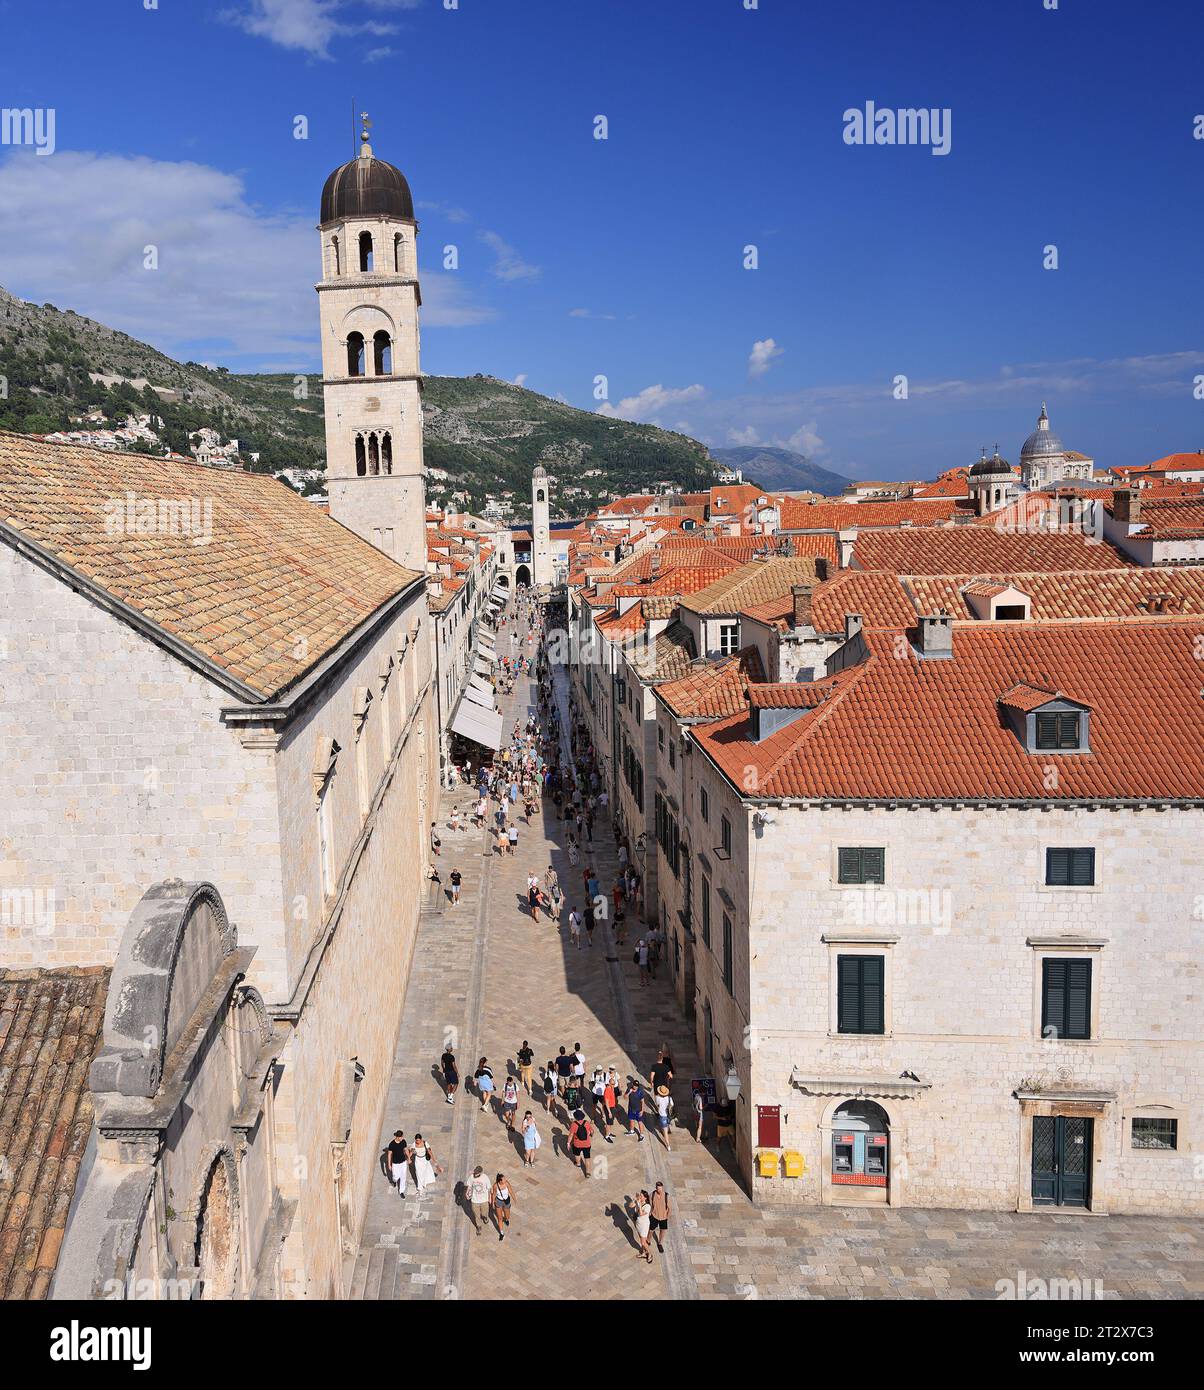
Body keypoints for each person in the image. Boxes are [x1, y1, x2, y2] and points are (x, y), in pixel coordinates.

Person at [628, 1190, 654, 1264]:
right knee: (641, 1239)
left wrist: (638, 1204)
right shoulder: (638, 1202)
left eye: (641, 1196)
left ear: (645, 1198)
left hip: (644, 1225)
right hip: (638, 1223)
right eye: (640, 1195)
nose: (640, 1197)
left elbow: (641, 1213)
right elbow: (630, 1206)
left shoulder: (648, 1206)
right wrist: (634, 1199)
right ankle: (643, 1252)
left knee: (643, 1242)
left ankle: (650, 1254)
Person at [569, 1108, 593, 1178]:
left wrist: (568, 1143)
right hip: (587, 1143)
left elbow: (571, 1135)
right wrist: (591, 1135)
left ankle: (578, 1164)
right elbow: (592, 1131)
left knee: (577, 1154)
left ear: (575, 1117)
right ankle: (588, 1172)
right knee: (587, 1158)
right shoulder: (587, 1122)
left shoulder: (574, 1124)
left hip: (577, 1144)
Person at [466, 1165, 491, 1234]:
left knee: (484, 1212)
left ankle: (485, 1217)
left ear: (481, 1173)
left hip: (484, 1200)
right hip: (475, 1200)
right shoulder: (471, 1177)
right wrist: (466, 1193)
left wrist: (489, 1198)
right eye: (475, 1172)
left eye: (477, 1173)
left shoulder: (485, 1177)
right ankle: (479, 1227)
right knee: (476, 1215)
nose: (475, 1174)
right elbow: (469, 1186)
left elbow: (489, 1189)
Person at [649, 1181, 671, 1254]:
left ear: (662, 1188)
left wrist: (667, 1216)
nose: (659, 1190)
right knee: (651, 1230)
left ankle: (660, 1243)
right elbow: (650, 1206)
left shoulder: (666, 1196)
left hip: (663, 1217)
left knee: (663, 1231)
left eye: (661, 1189)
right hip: (654, 1216)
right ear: (656, 1188)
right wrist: (650, 1214)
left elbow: (669, 1208)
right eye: (658, 1189)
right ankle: (648, 1241)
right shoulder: (652, 1195)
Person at [491, 1173, 514, 1241]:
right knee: (500, 1218)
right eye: (504, 1179)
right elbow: (494, 1194)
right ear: (500, 1181)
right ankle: (501, 1233)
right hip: (499, 1201)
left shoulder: (506, 1183)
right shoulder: (495, 1186)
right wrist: (492, 1202)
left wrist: (514, 1199)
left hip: (506, 1201)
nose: (505, 1179)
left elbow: (511, 1191)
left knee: (507, 1216)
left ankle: (506, 1219)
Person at [386, 1130, 409, 1198]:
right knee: (396, 1176)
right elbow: (389, 1154)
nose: (402, 1138)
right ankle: (394, 1181)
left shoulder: (403, 1142)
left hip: (403, 1162)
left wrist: (409, 1158)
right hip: (395, 1163)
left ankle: (401, 1191)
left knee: (403, 1177)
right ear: (397, 1137)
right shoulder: (392, 1144)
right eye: (401, 1137)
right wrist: (389, 1165)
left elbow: (406, 1150)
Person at [654, 1084, 674, 1150]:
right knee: (666, 1126)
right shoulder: (669, 1098)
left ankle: (668, 1145)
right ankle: (667, 1128)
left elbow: (657, 1105)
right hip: (668, 1115)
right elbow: (672, 1105)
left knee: (665, 1132)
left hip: (662, 1116)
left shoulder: (657, 1098)